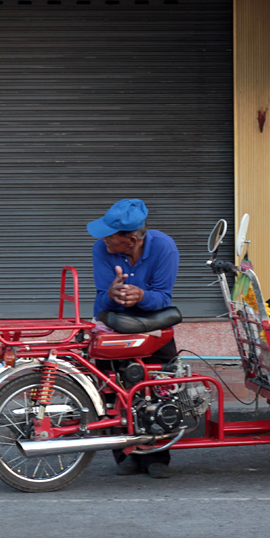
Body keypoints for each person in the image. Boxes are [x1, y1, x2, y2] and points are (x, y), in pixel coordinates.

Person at [88, 198, 180, 478]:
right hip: (113, 327)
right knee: (114, 391)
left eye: (109, 235)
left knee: (159, 388)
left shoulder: (164, 247)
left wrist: (141, 296)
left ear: (129, 240)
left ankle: (157, 456)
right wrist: (114, 295)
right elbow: (103, 294)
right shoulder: (101, 250)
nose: (103, 239)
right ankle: (124, 453)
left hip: (152, 328)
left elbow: (163, 297)